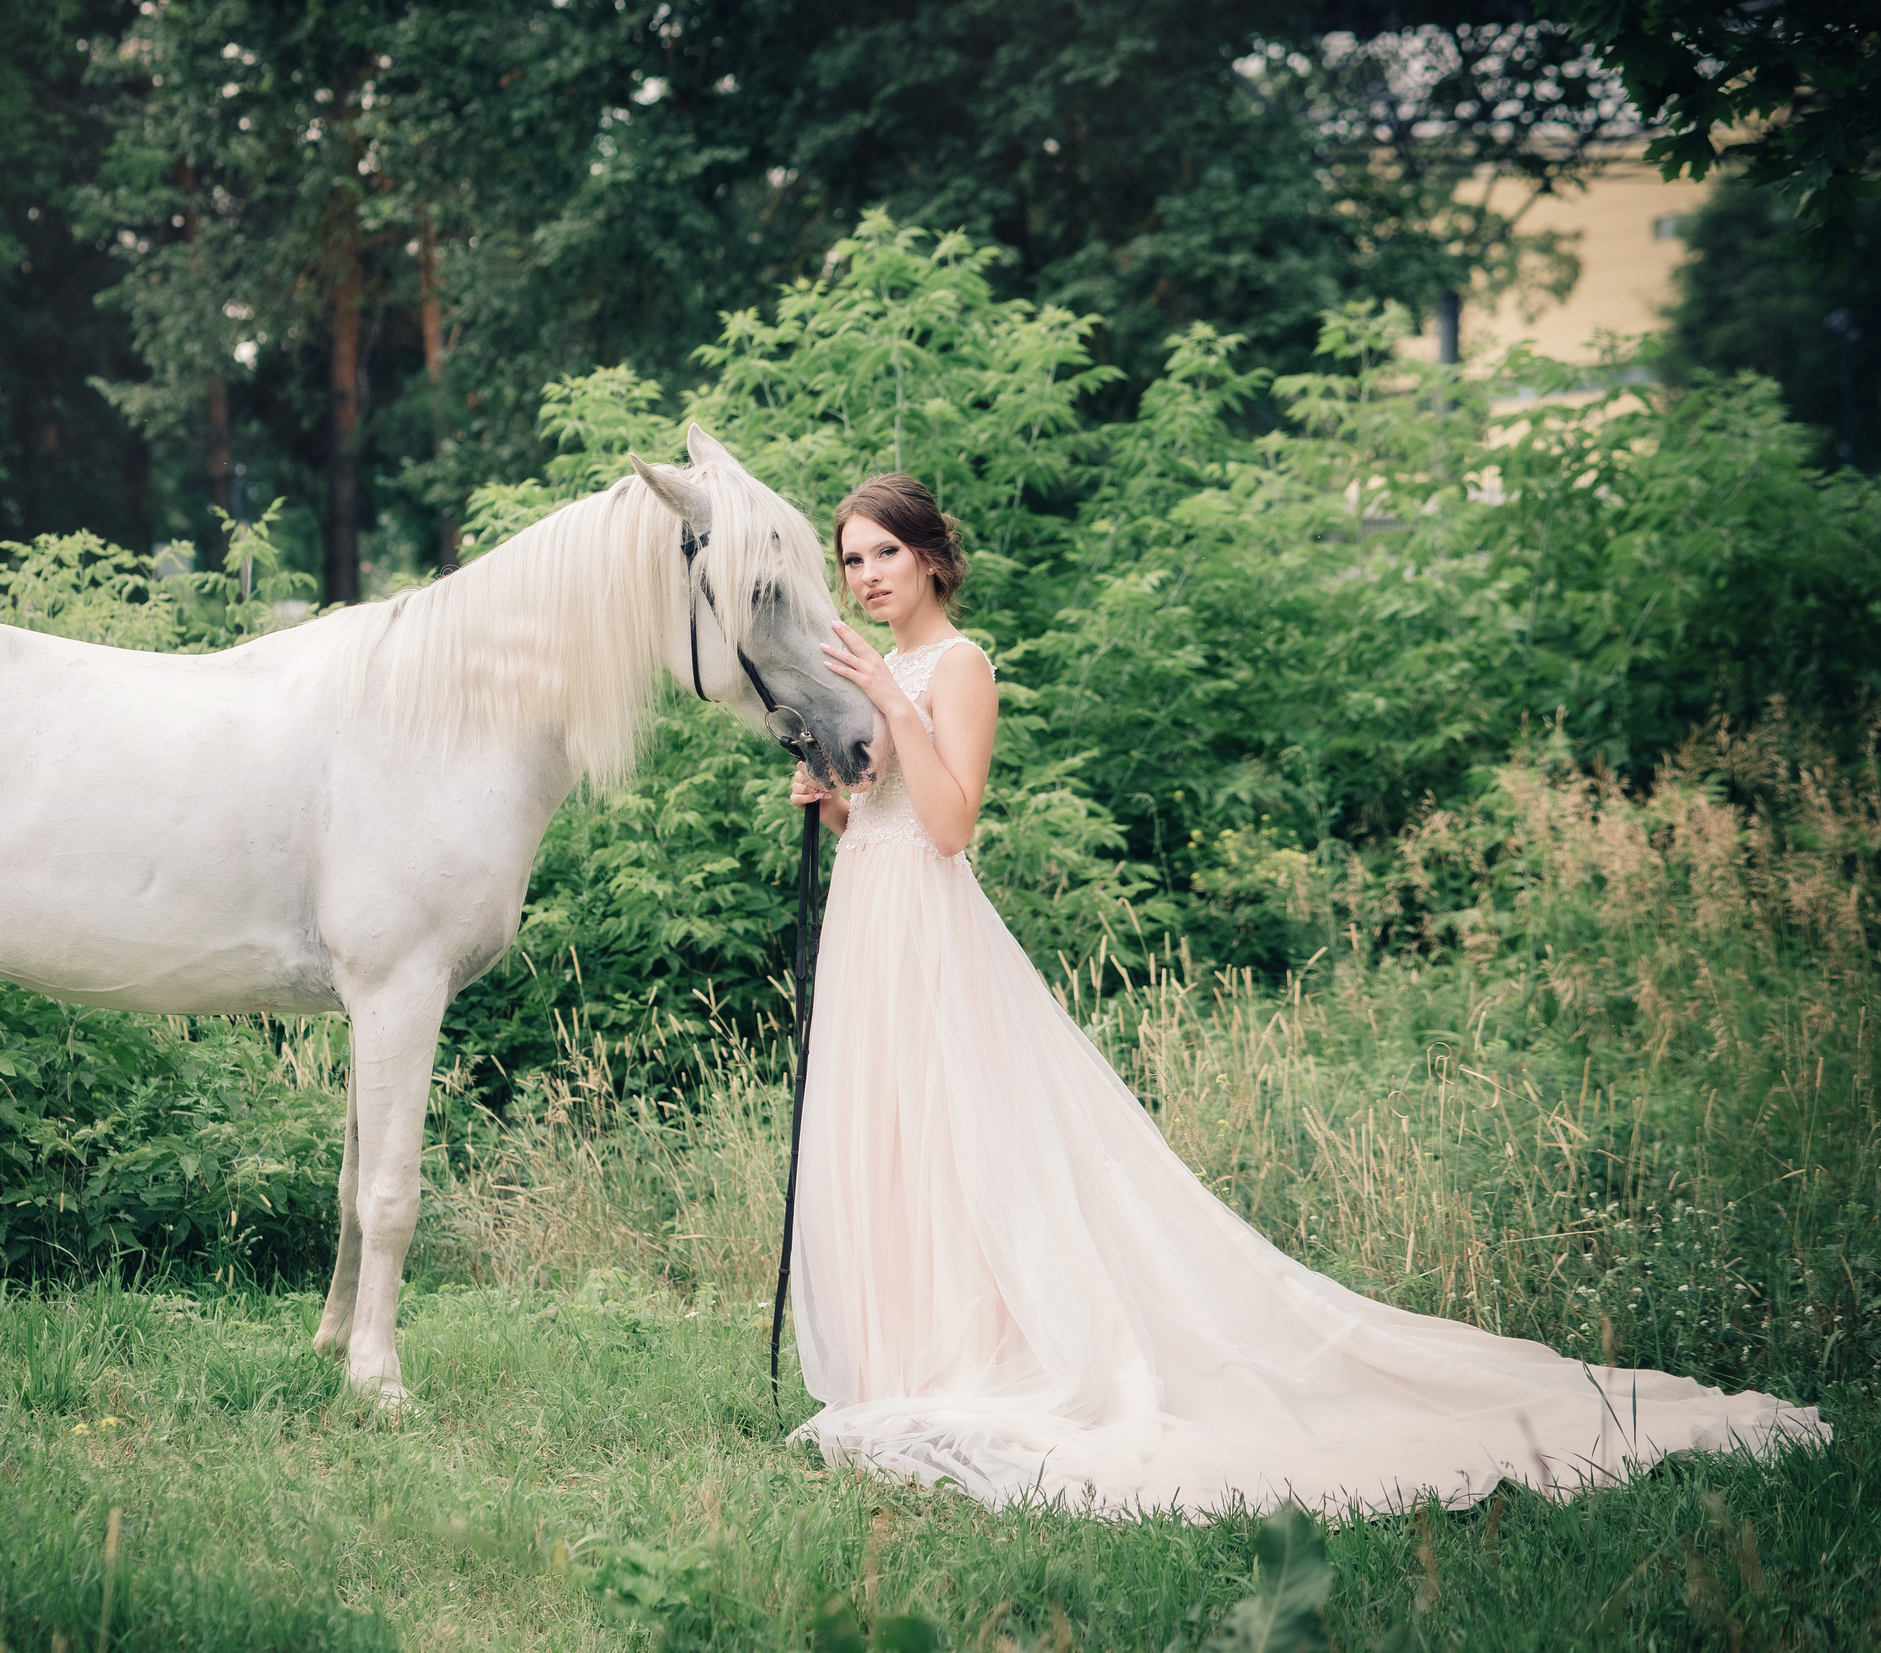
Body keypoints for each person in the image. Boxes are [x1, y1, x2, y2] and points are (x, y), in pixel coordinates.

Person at [781, 472, 1825, 1518]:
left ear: (928, 556)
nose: (865, 576)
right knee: (889, 1133)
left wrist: (880, 697)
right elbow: (881, 819)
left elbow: (953, 824)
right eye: (852, 559)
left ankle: (994, 1352)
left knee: (963, 1135)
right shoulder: (875, 670)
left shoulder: (955, 666)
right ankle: (907, 1357)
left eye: (882, 553)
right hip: (868, 921)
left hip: (931, 925)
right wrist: (828, 797)